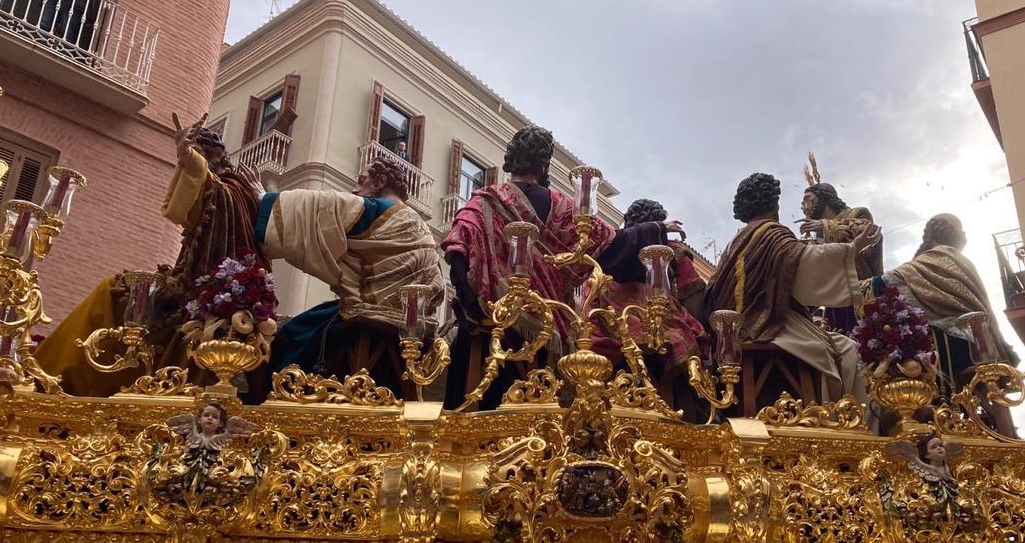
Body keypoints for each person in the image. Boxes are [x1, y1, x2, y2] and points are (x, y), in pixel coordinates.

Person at [442, 125, 681, 410]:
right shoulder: (563, 208)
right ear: (545, 165)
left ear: (510, 160)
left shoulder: (483, 203)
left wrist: (472, 303)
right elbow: (612, 245)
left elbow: (458, 247)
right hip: (547, 324)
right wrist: (654, 230)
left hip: (490, 322)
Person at [35, 114, 266, 396]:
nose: (184, 165)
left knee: (112, 291)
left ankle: (53, 376)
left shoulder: (229, 187)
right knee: (118, 289)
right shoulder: (239, 188)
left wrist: (189, 157)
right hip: (208, 282)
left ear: (216, 155)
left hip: (209, 288)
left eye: (199, 154)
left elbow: (202, 188)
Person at [253, 157, 443, 396]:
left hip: (372, 316)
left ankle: (273, 397)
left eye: (362, 181)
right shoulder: (420, 225)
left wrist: (264, 199)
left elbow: (322, 207)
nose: (355, 189)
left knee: (291, 335)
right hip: (412, 325)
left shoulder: (379, 210)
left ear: (380, 181)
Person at [705, 173, 879, 409]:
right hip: (766, 322)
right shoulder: (772, 232)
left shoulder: (735, 242)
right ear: (773, 203)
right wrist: (853, 247)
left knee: (836, 344)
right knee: (846, 350)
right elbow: (805, 264)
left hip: (732, 329)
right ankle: (836, 415)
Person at [870, 214, 1018, 437]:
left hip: (958, 343)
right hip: (977, 341)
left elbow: (891, 281)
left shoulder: (941, 256)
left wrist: (870, 284)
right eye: (958, 228)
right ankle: (1004, 434)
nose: (964, 234)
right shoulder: (943, 259)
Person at [587, 198, 707, 420]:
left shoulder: (609, 251)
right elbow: (694, 297)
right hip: (657, 329)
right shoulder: (671, 252)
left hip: (612, 327)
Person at [799, 182, 881, 333]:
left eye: (808, 198)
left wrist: (825, 226)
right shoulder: (816, 238)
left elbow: (869, 230)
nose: (803, 205)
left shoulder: (857, 213)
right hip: (835, 302)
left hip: (863, 292)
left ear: (823, 198)